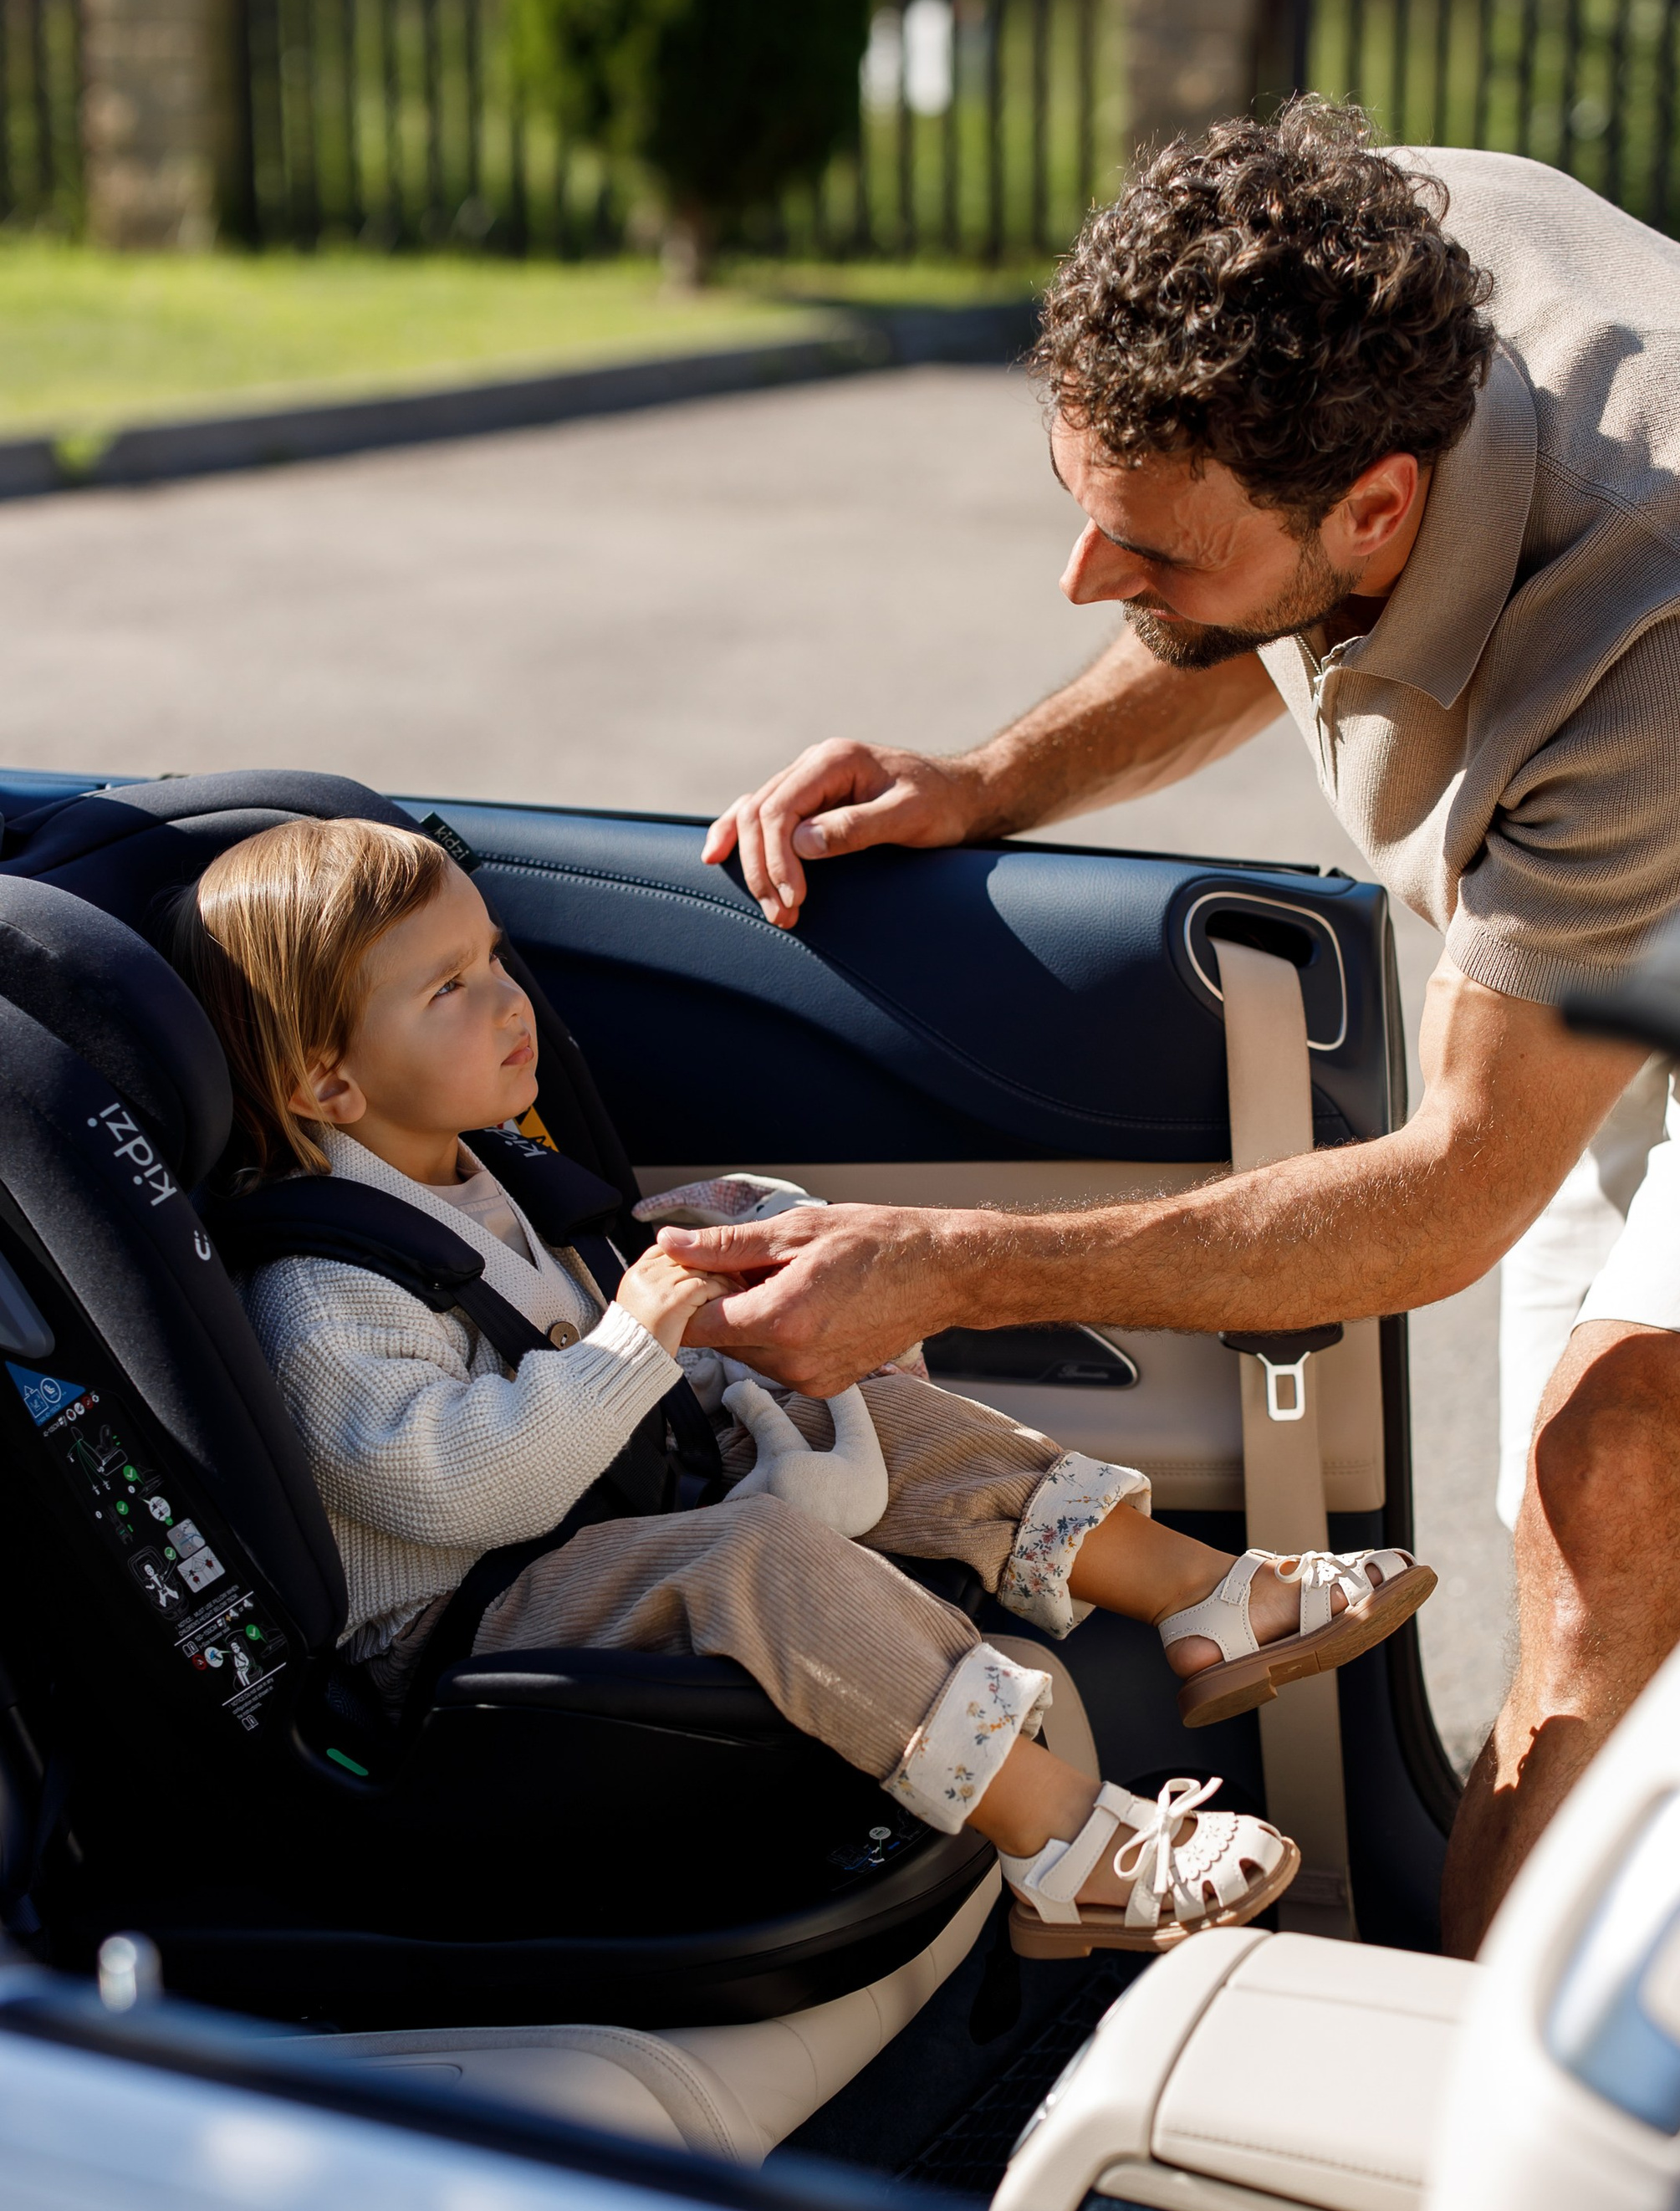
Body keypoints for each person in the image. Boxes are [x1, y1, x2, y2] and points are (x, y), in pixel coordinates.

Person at [671, 98, 1680, 1954]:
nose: (1085, 581)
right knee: (1593, 1568)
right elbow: (1249, 608)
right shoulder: (1350, 276)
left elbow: (1449, 1193)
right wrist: (981, 783)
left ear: (1385, 501)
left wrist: (944, 1268)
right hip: (1656, 923)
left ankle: (1496, 2136)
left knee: (1617, 1476)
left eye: (1142, 550)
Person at [175, 814, 1430, 1958]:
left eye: (497, 958)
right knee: (756, 1556)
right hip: (458, 1634)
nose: (508, 1002)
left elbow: (543, 1318)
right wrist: (633, 1342)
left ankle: (1203, 1595)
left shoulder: (476, 1170)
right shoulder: (319, 1297)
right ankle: (1065, 1845)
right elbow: (450, 1480)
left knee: (865, 1405)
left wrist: (706, 1250)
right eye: (449, 989)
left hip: (580, 1522)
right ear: (327, 1083)